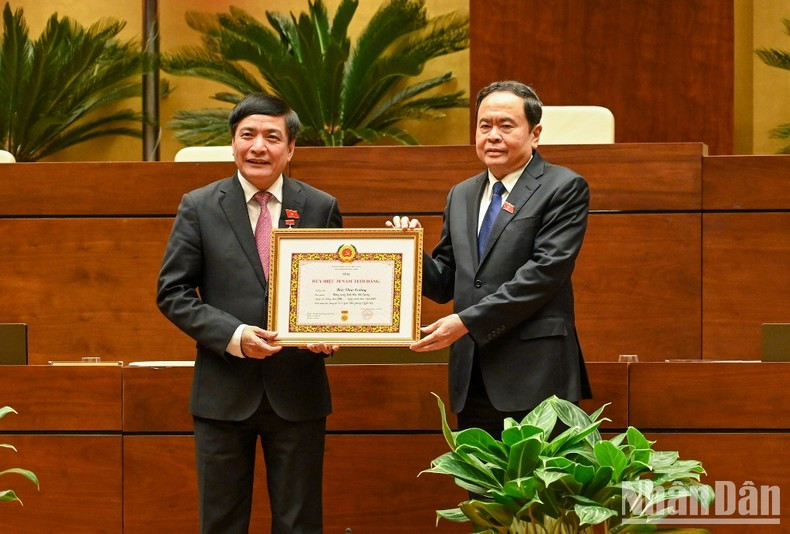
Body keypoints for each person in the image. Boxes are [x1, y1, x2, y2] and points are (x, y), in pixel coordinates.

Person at [157, 93, 341, 534]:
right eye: (248, 135)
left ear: (291, 148)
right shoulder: (199, 206)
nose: (259, 146)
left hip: (298, 391)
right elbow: (173, 292)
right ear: (233, 143)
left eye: (272, 137)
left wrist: (331, 329)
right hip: (223, 392)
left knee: (299, 523)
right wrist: (234, 335)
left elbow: (335, 289)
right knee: (221, 523)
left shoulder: (320, 206)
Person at [388, 80, 591, 436]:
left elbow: (544, 274)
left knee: (540, 491)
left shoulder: (563, 187)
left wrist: (465, 322)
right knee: (479, 489)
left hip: (537, 376)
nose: (492, 135)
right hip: (473, 375)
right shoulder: (462, 194)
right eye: (485, 126)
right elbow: (445, 282)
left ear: (535, 133)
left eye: (506, 125)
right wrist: (409, 251)